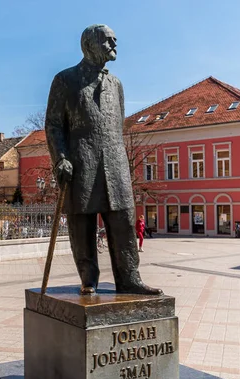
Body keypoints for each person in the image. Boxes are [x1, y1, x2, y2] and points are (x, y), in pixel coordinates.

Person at [45, 24, 162, 296]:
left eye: (114, 41)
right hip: (81, 162)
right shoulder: (66, 80)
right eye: (109, 41)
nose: (114, 45)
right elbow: (53, 125)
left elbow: (117, 124)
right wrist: (60, 157)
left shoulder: (115, 84)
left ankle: (129, 278)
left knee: (123, 219)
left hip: (115, 162)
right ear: (90, 45)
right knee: (82, 222)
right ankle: (89, 280)